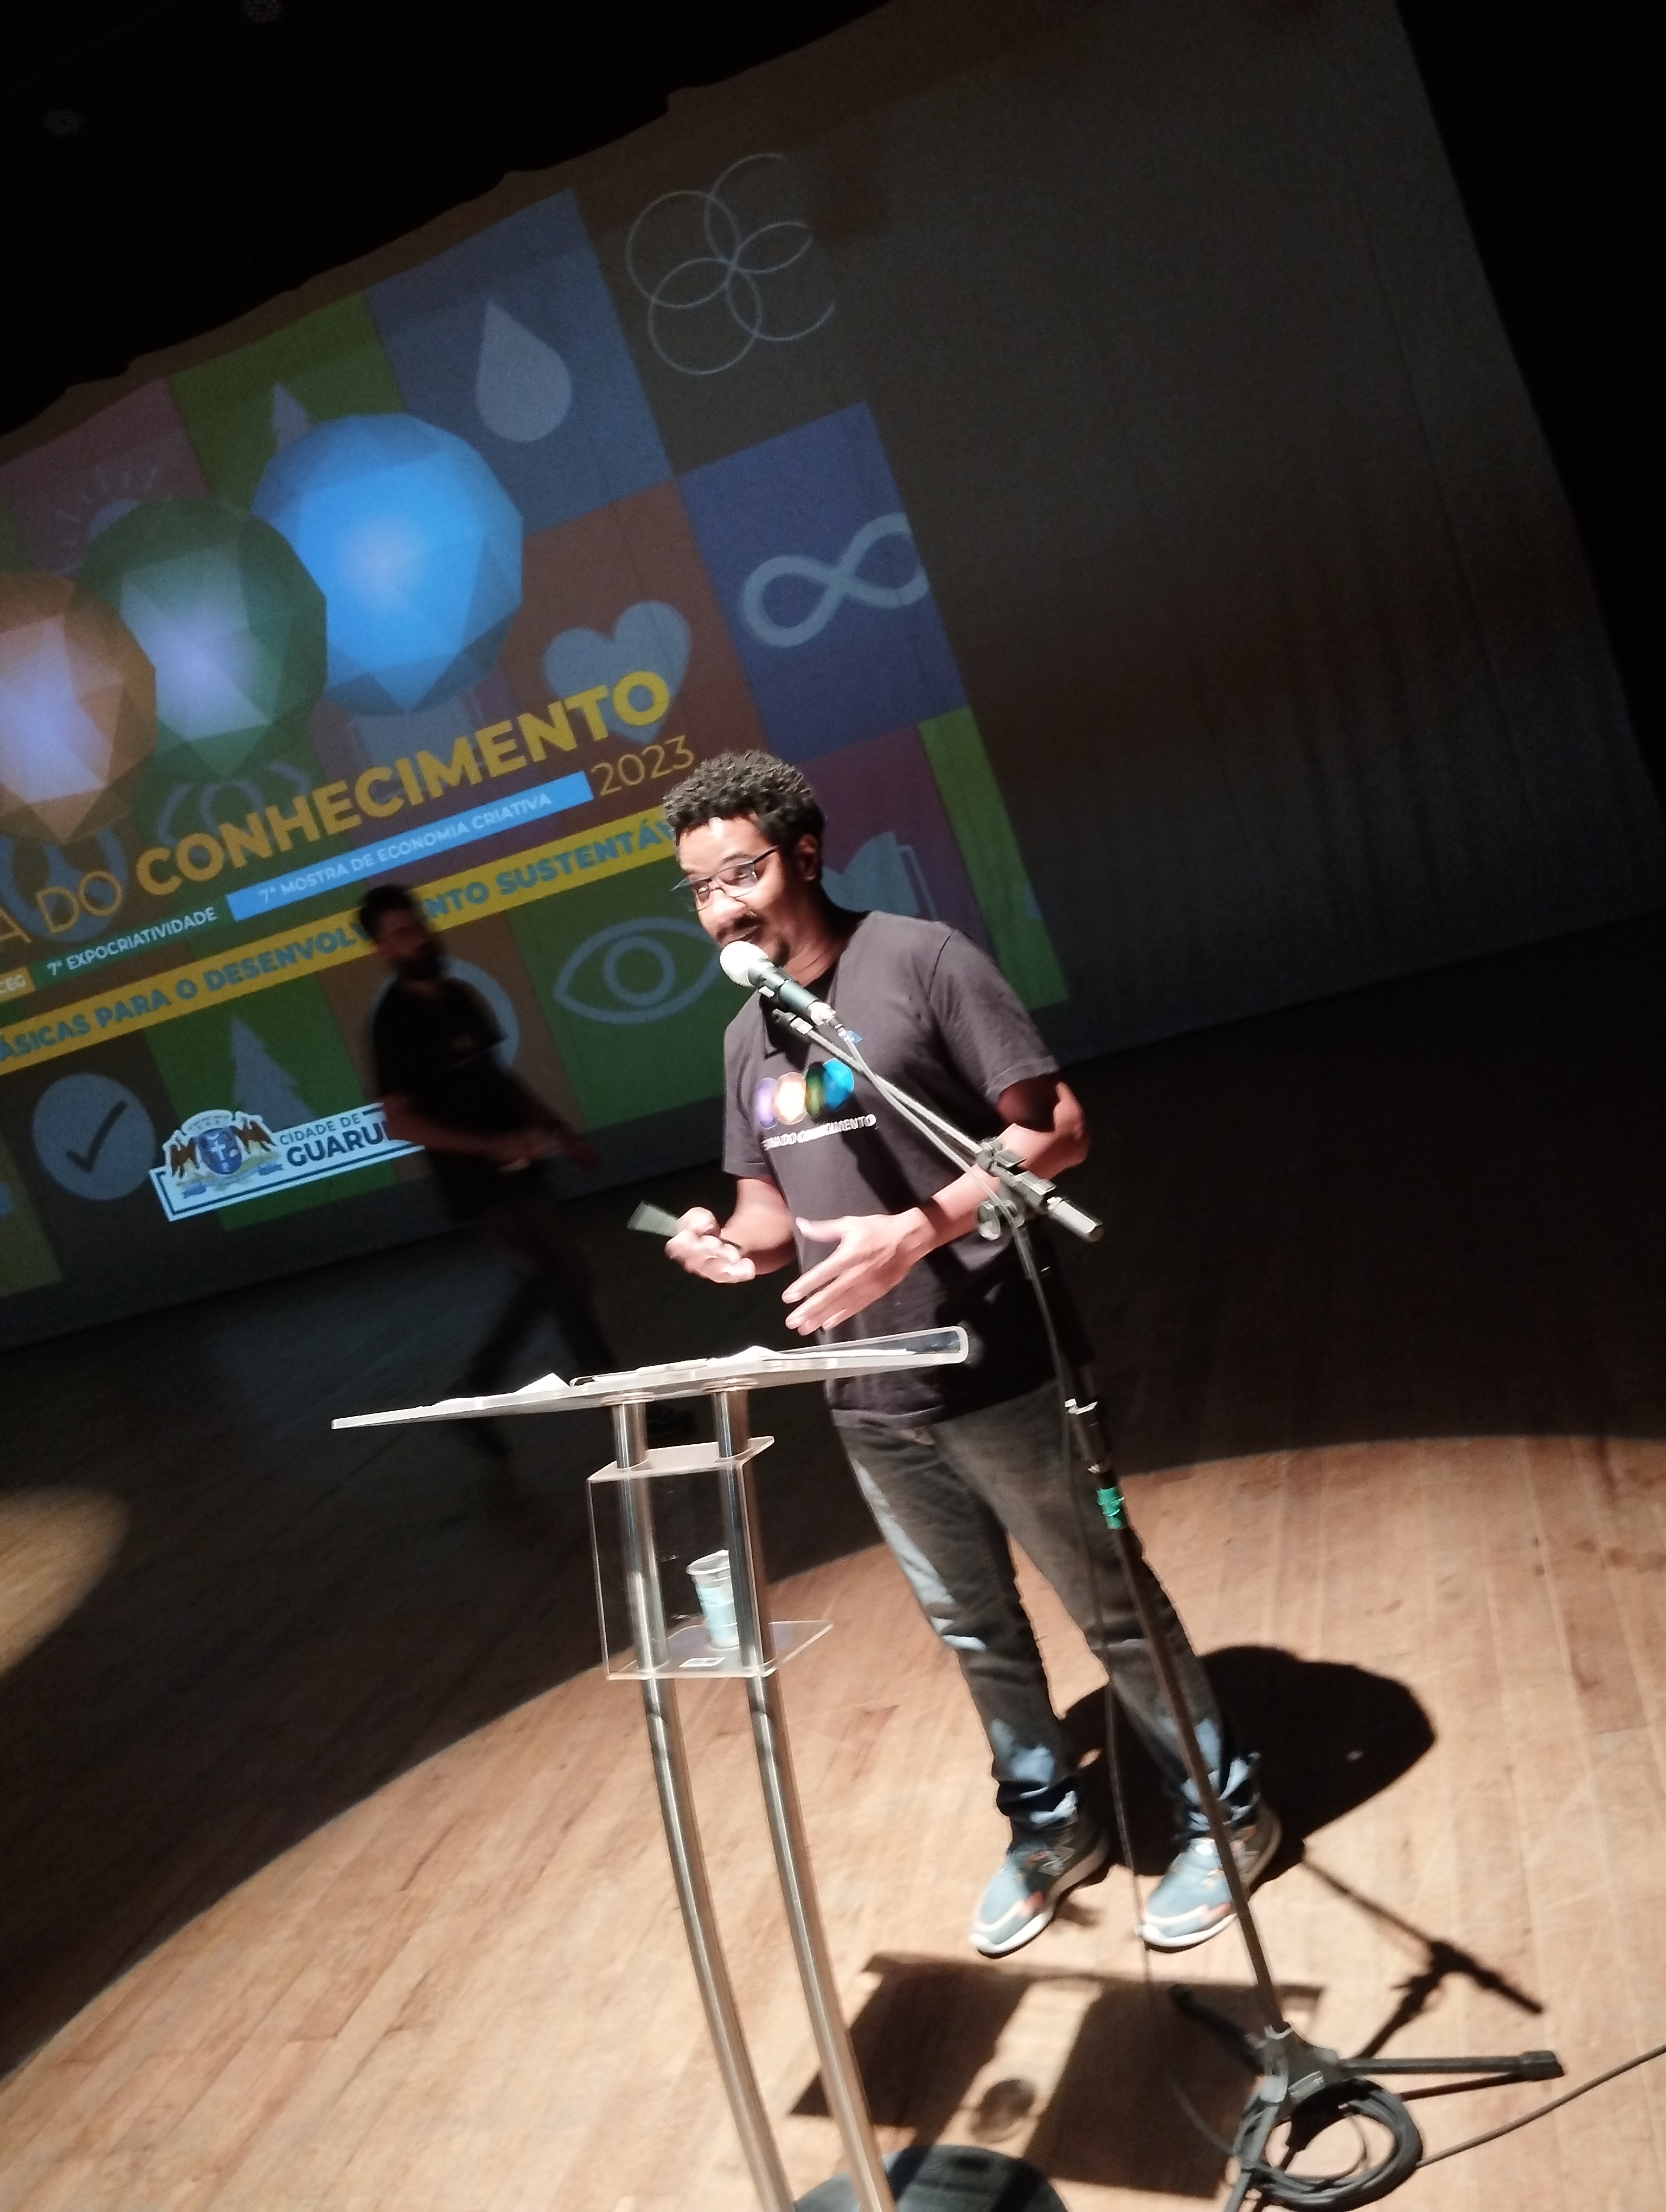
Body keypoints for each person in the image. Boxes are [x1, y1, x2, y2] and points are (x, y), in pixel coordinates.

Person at [660, 753, 1278, 1957]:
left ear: (803, 854)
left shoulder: (920, 961)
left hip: (998, 1361)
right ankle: (1050, 1824)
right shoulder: (746, 1037)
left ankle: (1227, 1812)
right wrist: (722, 1245)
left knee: (1107, 1606)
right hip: (861, 1388)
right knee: (973, 1630)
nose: (722, 908)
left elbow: (1057, 1132)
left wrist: (921, 1230)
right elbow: (766, 1212)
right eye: (699, 890)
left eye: (740, 874)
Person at [359, 883, 650, 1448]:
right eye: (401, 934)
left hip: (522, 1165)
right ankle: (621, 1412)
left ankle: (472, 1393)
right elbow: (400, 1121)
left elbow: (496, 1076)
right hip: (476, 1183)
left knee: (552, 1279)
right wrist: (490, 1147)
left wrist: (558, 1129)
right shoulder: (392, 1023)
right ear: (383, 950)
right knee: (562, 1279)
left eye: (417, 925)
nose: (418, 938)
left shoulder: (457, 996)